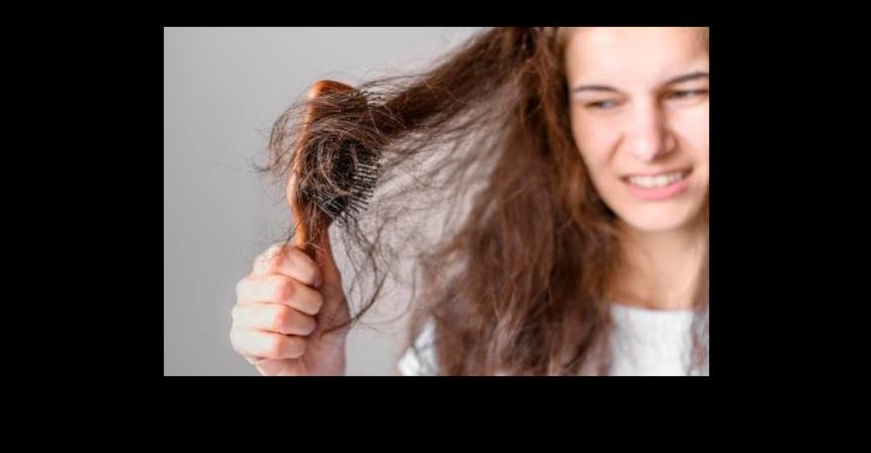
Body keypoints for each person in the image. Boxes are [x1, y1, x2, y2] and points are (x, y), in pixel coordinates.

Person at [229, 27, 710, 376]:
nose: (649, 144)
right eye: (602, 101)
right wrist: (318, 372)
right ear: (562, 115)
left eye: (688, 92)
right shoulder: (483, 325)